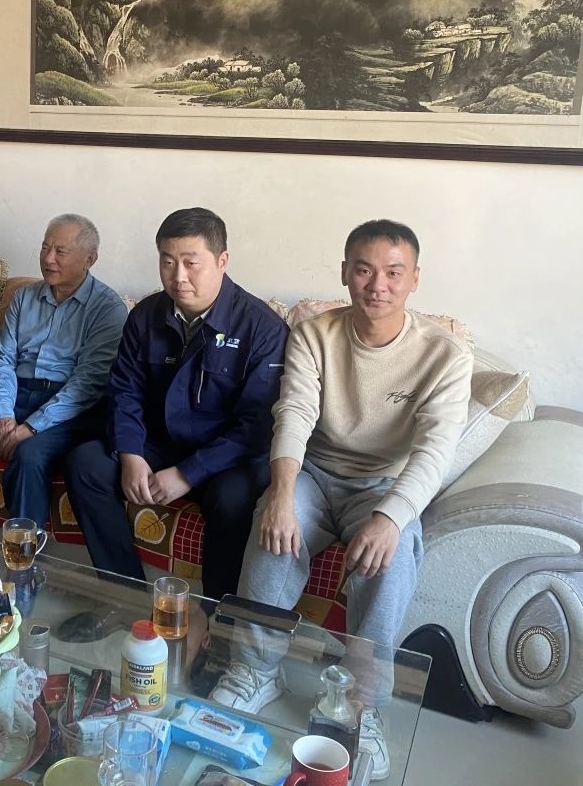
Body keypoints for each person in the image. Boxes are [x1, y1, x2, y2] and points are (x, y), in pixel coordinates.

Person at [211, 220, 471, 781]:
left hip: (383, 485)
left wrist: (391, 518)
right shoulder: (315, 334)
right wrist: (281, 494)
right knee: (273, 530)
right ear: (345, 273)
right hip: (315, 471)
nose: (378, 285)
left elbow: (436, 449)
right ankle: (256, 671)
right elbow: (294, 412)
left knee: (390, 557)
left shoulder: (445, 354)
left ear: (415, 279)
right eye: (364, 270)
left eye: (394, 272)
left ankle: (363, 704)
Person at [64, 208, 288, 604]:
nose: (178, 276)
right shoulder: (146, 315)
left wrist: (188, 473)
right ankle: (127, 597)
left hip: (224, 456)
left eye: (190, 263)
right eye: (168, 262)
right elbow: (124, 390)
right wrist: (131, 453)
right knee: (86, 463)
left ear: (222, 261)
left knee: (235, 499)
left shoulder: (262, 328)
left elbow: (257, 426)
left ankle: (218, 616)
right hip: (160, 442)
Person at [0, 214, 127, 532]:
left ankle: (23, 558)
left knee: (30, 455)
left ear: (90, 258)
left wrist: (32, 428)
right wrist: (2, 415)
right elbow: (3, 360)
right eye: (45, 247)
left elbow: (88, 383)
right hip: (17, 395)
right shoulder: (24, 297)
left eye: (60, 251)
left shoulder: (108, 308)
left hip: (69, 410)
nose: (48, 259)